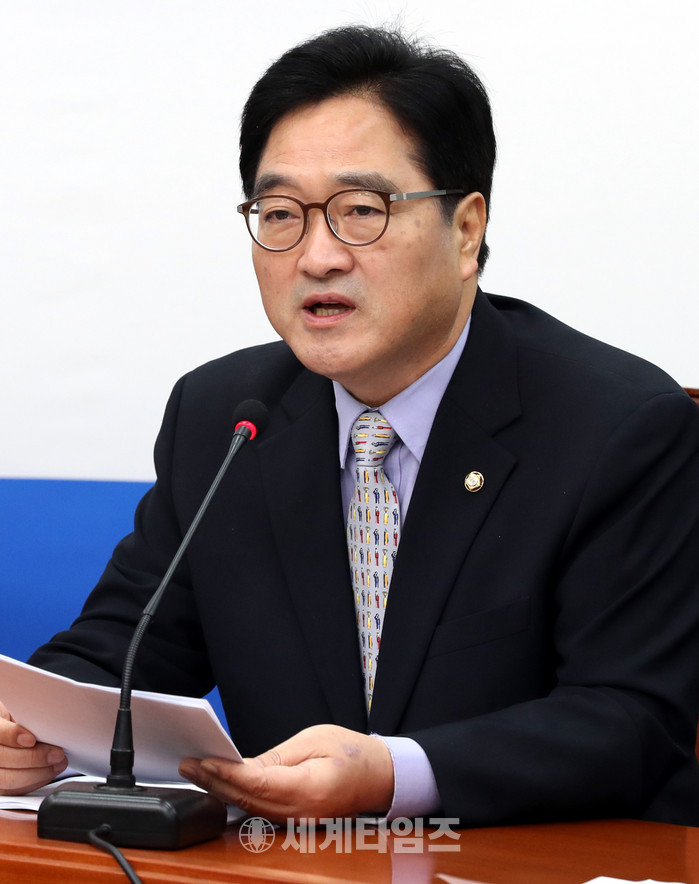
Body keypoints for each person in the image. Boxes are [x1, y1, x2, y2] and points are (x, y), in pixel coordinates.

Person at [2, 24, 699, 828]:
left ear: (465, 229)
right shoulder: (225, 418)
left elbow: (630, 719)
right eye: (279, 213)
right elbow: (119, 657)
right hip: (292, 870)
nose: (317, 256)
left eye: (360, 210)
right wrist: (28, 728)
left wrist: (392, 774)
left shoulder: (616, 428)